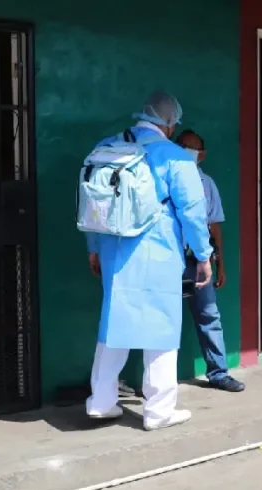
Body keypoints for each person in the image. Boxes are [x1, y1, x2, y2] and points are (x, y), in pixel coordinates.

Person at [85, 91, 214, 431]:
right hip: (158, 253)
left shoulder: (107, 147)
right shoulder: (175, 157)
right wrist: (204, 255)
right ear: (169, 123)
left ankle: (100, 402)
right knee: (162, 330)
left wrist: (94, 247)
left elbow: (92, 200)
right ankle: (158, 412)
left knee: (113, 324)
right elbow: (192, 211)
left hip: (114, 251)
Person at [175, 129, 245, 392]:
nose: (186, 150)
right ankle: (155, 382)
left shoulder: (207, 184)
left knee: (209, 316)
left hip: (199, 262)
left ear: (201, 155)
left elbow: (214, 227)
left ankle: (218, 373)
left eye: (192, 148)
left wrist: (220, 264)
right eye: (181, 145)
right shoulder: (164, 178)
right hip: (170, 260)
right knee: (164, 319)